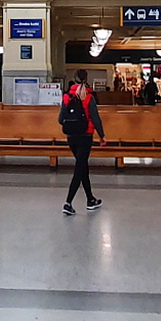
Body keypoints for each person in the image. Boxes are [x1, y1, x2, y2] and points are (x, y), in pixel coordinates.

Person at [59, 70, 104, 216]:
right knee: (80, 168)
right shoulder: (88, 97)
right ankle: (68, 202)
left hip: (71, 136)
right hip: (85, 135)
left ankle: (90, 199)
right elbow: (96, 119)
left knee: (82, 166)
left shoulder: (67, 97)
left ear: (74, 79)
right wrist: (102, 136)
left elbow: (60, 119)